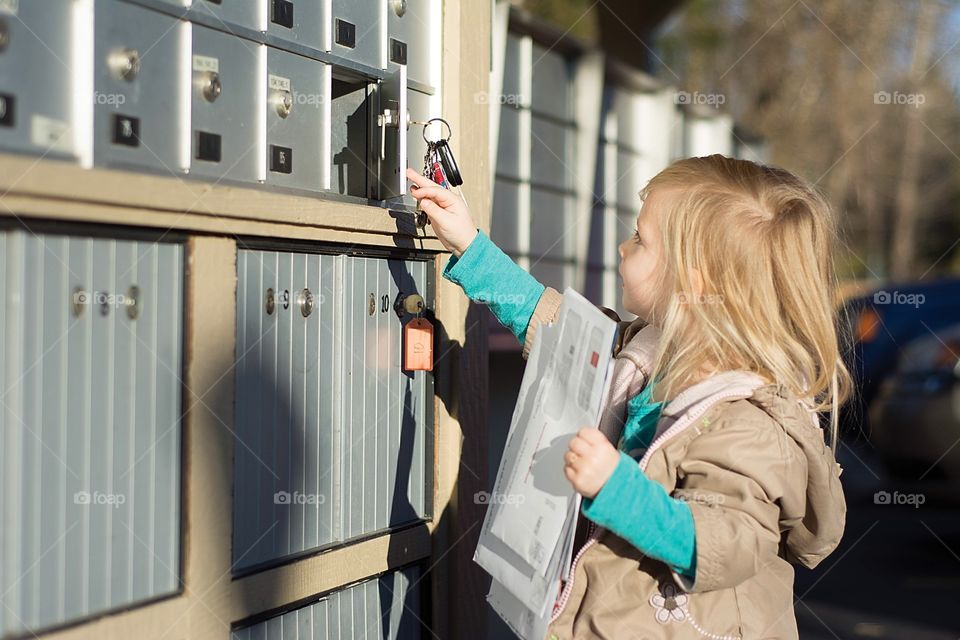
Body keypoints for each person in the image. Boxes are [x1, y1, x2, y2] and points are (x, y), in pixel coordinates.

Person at [406, 154, 850, 639]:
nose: (622, 246)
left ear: (694, 280)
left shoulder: (749, 424)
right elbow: (558, 329)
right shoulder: (649, 349)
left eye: (640, 239)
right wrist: (469, 243)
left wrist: (617, 489)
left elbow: (724, 544)